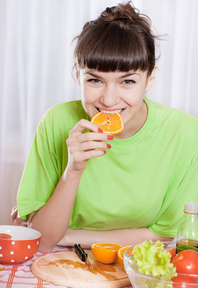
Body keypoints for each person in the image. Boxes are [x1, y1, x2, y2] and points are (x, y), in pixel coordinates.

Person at [12, 1, 198, 253]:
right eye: (95, 80)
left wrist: (68, 235)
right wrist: (73, 170)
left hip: (137, 261)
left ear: (150, 78)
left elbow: (165, 234)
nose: (109, 100)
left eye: (128, 81)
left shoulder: (186, 133)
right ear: (78, 76)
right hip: (63, 261)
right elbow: (43, 240)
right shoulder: (57, 121)